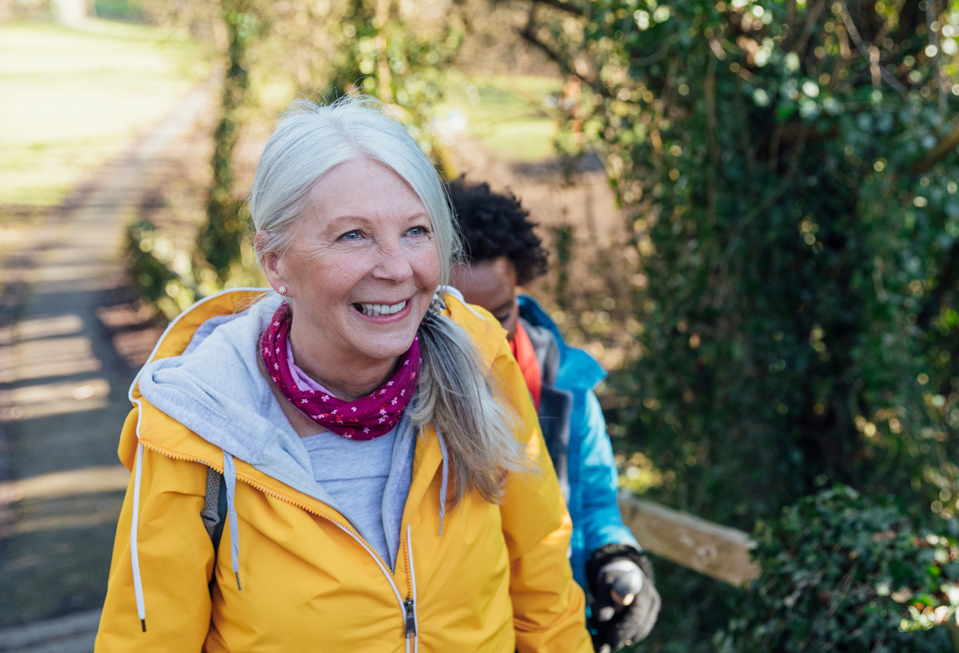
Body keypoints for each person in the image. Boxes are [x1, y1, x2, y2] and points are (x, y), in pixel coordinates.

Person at [95, 97, 592, 652]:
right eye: (353, 235)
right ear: (276, 261)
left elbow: (546, 601)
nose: (397, 268)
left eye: (416, 231)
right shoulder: (194, 431)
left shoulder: (482, 365)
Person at [448, 179, 660, 652]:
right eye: (461, 319)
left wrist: (617, 559)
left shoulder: (567, 385)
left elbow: (595, 500)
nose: (485, 339)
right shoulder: (405, 396)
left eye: (499, 316)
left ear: (519, 288)